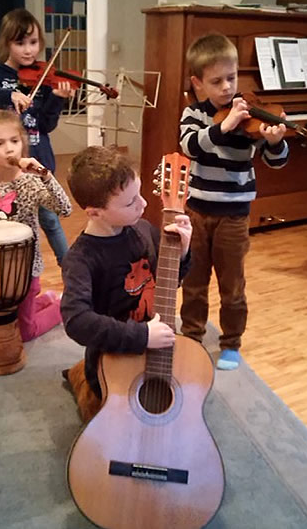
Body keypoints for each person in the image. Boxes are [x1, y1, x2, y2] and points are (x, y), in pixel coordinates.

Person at [179, 33, 289, 371]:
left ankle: (231, 343)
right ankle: (192, 336)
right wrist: (223, 127)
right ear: (198, 83)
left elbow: (277, 161)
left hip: (234, 215)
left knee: (233, 285)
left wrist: (274, 142)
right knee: (194, 282)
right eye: (216, 81)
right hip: (197, 212)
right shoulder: (194, 114)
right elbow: (189, 146)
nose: (227, 87)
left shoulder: (249, 113)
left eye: (232, 77)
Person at [60, 146, 192, 416]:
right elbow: (77, 321)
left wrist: (183, 253)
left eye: (140, 194)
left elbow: (168, 284)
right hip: (113, 360)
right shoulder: (81, 259)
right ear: (95, 213)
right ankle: (83, 381)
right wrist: (142, 335)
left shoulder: (143, 231)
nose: (143, 205)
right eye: (130, 202)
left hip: (157, 349)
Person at [0, 8, 72, 266]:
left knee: (49, 219)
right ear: (7, 44)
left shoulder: (45, 77)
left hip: (37, 158)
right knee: (8, 213)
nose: (28, 50)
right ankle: (11, 264)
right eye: (20, 43)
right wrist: (8, 95)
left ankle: (68, 266)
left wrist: (57, 100)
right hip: (6, 166)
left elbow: (46, 124)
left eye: (33, 42)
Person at [0, 108, 72, 342]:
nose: (9, 148)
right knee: (2, 320)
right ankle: (44, 299)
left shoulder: (30, 184)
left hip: (26, 270)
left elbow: (65, 209)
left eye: (14, 141)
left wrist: (45, 175)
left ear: (23, 144)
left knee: (26, 332)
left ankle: (60, 305)